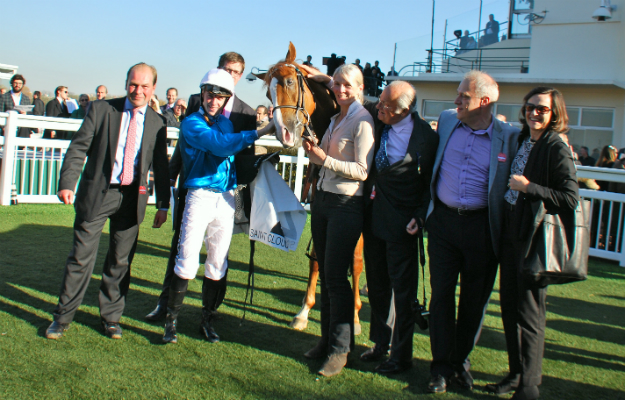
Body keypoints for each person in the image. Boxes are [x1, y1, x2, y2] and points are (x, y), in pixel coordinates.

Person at [45, 62, 170, 340]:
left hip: (131, 200)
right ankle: (62, 318)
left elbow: (160, 167)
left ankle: (111, 318)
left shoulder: (157, 122)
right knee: (80, 258)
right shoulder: (101, 110)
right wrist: (68, 183)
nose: (138, 90)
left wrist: (163, 204)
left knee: (120, 262)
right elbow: (78, 147)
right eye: (133, 84)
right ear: (127, 83)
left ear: (153, 89)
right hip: (97, 194)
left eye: (144, 86)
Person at [161, 69, 275, 345]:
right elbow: (221, 147)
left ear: (226, 99)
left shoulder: (226, 125)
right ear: (202, 94)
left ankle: (207, 320)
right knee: (187, 259)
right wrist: (263, 131)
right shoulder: (191, 123)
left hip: (226, 198)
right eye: (210, 94)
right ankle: (170, 323)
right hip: (199, 195)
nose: (213, 100)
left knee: (217, 261)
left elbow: (233, 152)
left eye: (220, 96)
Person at [145, 51, 257, 322]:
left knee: (220, 253)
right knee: (181, 248)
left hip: (228, 194)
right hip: (194, 188)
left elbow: (245, 160)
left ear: (240, 76)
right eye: (225, 69)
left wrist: (244, 202)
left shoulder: (246, 112)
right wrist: (171, 180)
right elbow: (182, 152)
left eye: (234, 72)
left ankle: (211, 313)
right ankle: (165, 305)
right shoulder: (197, 102)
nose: (228, 76)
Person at [426, 70, 520, 394]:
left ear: (484, 101)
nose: (455, 101)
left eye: (463, 97)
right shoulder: (448, 119)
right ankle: (439, 368)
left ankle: (459, 364)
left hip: (482, 229)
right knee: (440, 298)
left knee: (473, 303)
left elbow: (539, 145)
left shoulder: (509, 136)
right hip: (442, 224)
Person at [486, 87, 578, 400]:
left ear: (555, 114)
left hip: (532, 239)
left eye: (542, 109)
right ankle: (515, 374)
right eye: (530, 107)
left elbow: (569, 198)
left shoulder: (555, 145)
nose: (534, 113)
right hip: (512, 232)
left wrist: (529, 187)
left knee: (529, 315)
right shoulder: (527, 139)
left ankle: (529, 387)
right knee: (510, 309)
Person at [358, 81, 439, 374]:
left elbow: (431, 183)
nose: (379, 108)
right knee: (378, 288)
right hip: (373, 219)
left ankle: (401, 356)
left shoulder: (426, 139)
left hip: (404, 226)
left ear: (404, 110)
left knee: (403, 294)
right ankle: (380, 343)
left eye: (386, 106)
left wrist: (420, 216)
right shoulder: (378, 122)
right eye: (379, 101)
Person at [300, 64, 375, 377]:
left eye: (348, 85)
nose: (340, 90)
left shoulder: (363, 120)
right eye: (337, 85)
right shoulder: (335, 118)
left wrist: (323, 159)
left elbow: (362, 170)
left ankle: (340, 351)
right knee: (328, 276)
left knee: (335, 279)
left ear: (359, 88)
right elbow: (328, 83)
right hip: (324, 201)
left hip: (347, 205)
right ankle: (326, 341)